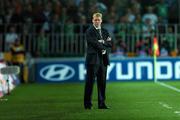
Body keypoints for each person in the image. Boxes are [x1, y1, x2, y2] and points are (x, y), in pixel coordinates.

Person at [84, 12, 112, 109]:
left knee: (102, 82)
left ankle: (102, 103)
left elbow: (110, 43)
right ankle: (87, 104)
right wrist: (103, 46)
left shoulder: (105, 31)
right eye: (95, 20)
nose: (97, 21)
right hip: (93, 60)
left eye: (98, 20)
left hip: (103, 60)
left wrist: (102, 42)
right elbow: (94, 43)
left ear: (101, 20)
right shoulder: (89, 31)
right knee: (90, 82)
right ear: (92, 20)